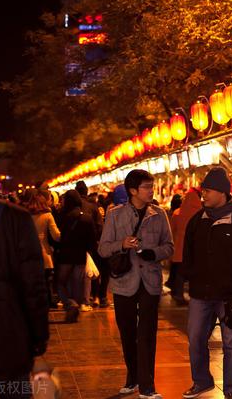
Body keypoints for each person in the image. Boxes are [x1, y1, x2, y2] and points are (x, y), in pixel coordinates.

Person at [181, 168, 232, 399]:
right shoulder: (198, 220)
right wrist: (191, 276)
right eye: (202, 190)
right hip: (200, 293)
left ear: (222, 192)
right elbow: (188, 254)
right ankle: (201, 381)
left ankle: (231, 390)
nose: (203, 195)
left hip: (230, 294)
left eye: (207, 190)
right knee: (195, 338)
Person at [98, 169, 174, 399]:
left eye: (152, 187)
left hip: (149, 281)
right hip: (124, 281)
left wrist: (153, 253)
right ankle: (132, 378)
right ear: (133, 191)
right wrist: (121, 244)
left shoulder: (159, 214)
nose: (151, 191)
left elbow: (169, 246)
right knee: (127, 332)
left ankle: (147, 385)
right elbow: (103, 248)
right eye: (147, 187)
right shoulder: (115, 215)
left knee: (148, 333)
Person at [0, 192, 49, 399]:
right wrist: (39, 333)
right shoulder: (15, 218)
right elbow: (33, 283)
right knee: (13, 391)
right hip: (8, 329)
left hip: (7, 326)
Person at [57, 190, 97, 318]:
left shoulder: (61, 217)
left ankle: (69, 304)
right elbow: (92, 238)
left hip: (65, 255)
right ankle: (77, 304)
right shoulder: (86, 218)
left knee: (60, 282)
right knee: (77, 283)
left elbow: (57, 237)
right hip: (80, 255)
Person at [23, 189, 61, 309]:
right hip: (45, 254)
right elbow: (56, 236)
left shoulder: (25, 215)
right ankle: (48, 301)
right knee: (46, 281)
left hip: (28, 255)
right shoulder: (48, 216)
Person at [168, 188, 202, 305]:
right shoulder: (200, 213)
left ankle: (178, 294)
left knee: (180, 272)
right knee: (195, 272)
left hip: (179, 246)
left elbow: (171, 230)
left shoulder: (177, 212)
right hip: (195, 247)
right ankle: (195, 296)